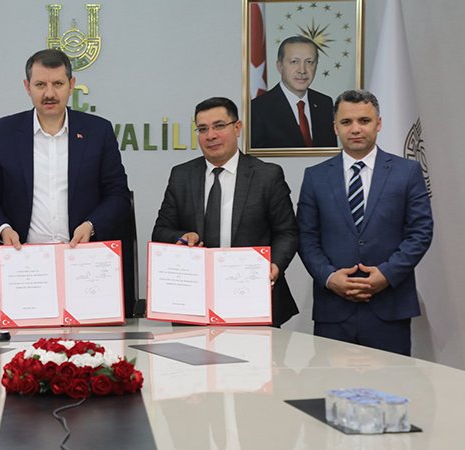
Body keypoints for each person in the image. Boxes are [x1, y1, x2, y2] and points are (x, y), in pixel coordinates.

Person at [0, 49, 130, 297]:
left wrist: (91, 226)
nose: (49, 93)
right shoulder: (2, 133)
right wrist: (4, 230)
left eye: (58, 84)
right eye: (40, 85)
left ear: (71, 85)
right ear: (27, 87)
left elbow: (118, 196)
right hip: (23, 266)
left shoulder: (98, 131)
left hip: (85, 264)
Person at [297, 89, 433, 356]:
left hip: (389, 306)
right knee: (330, 382)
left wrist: (387, 274)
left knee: (391, 382)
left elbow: (420, 232)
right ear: (335, 127)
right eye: (346, 122)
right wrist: (329, 277)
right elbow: (306, 236)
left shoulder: (407, 172)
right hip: (333, 310)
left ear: (378, 124)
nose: (356, 129)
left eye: (364, 120)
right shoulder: (315, 177)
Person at [152, 97, 299, 326]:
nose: (210, 135)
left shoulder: (267, 175)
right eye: (203, 129)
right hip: (194, 303)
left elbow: (287, 232)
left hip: (253, 298)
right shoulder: (181, 175)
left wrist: (275, 265)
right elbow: (161, 230)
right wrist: (182, 236)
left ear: (237, 128)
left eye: (219, 126)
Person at [250, 36, 337, 149]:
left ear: (316, 66)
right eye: (294, 62)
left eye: (309, 62)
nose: (302, 70)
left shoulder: (325, 103)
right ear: (280, 66)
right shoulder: (258, 108)